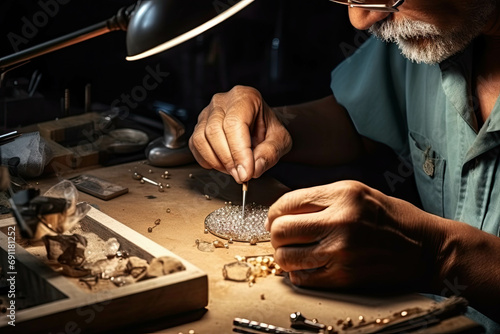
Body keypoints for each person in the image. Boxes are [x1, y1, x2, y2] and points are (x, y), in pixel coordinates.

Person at [188, 0, 500, 331]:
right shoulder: (434, 24)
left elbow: (442, 257)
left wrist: (442, 256)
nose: (360, 19)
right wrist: (275, 126)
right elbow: (358, 118)